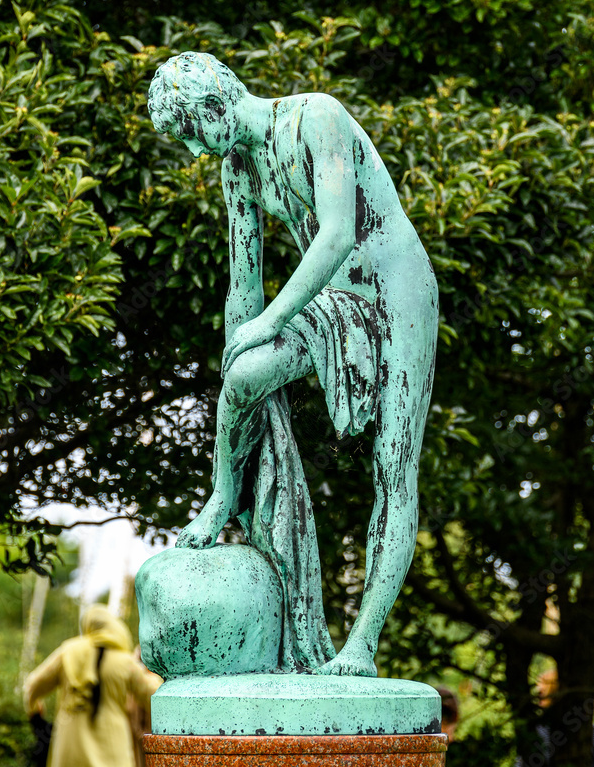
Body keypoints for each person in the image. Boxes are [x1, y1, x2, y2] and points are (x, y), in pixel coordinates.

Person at [147, 51, 438, 676]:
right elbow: (243, 286)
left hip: (398, 288)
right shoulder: (238, 169)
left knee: (393, 466)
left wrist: (270, 321)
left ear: (213, 106)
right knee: (247, 379)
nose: (196, 150)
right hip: (332, 296)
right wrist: (239, 349)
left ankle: (362, 642)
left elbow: (335, 233)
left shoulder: (316, 118)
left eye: (191, 133)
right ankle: (225, 494)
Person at [24, 604, 163, 767]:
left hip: (69, 746)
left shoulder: (67, 652)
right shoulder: (125, 662)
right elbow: (154, 696)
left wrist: (34, 708)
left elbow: (32, 686)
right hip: (112, 747)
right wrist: (153, 673)